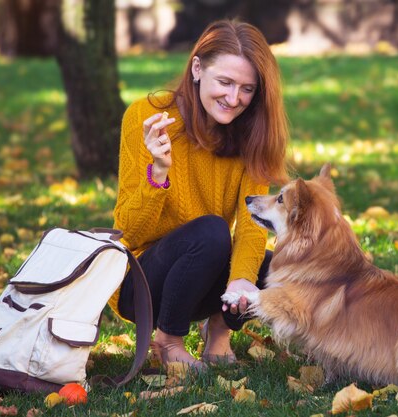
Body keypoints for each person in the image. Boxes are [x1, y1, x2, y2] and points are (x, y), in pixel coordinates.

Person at [108, 19, 290, 370]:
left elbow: (252, 226)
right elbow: (128, 233)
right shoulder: (147, 116)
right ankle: (167, 340)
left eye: (247, 89)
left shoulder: (252, 133)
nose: (234, 98)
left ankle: (219, 331)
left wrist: (240, 279)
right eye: (224, 82)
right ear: (196, 69)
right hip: (142, 284)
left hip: (203, 274)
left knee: (280, 267)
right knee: (210, 231)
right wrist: (157, 172)